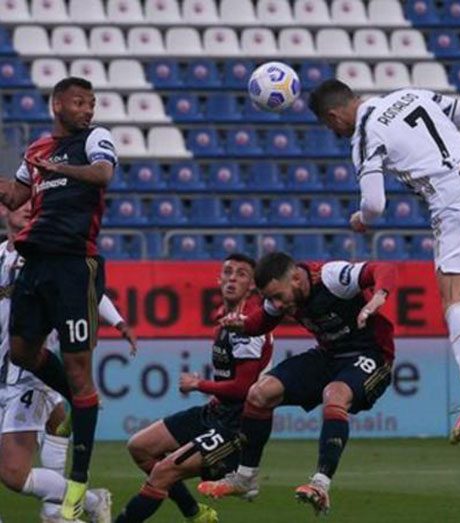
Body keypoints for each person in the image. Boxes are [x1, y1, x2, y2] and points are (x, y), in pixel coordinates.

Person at [308, 79, 460, 443]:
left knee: (455, 299)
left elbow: (375, 205)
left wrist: (361, 220)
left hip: (454, 203)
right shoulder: (408, 94)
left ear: (334, 116)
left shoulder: (365, 133)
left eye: (329, 124)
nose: (333, 130)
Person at [197, 252, 396, 515]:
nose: (276, 305)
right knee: (259, 393)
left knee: (334, 394)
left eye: (278, 297)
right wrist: (242, 326)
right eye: (271, 299)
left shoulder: (331, 277)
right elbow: (260, 322)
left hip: (371, 354)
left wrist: (379, 296)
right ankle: (245, 478)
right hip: (329, 355)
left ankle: (320, 484)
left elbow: (384, 267)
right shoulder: (280, 296)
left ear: (295, 279)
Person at [0, 76, 118, 520]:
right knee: (22, 351)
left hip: (73, 264)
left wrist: (60, 170)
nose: (88, 109)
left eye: (91, 103)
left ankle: (79, 483)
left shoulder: (95, 140)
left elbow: (103, 174)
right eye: (79, 102)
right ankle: (79, 399)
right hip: (36, 263)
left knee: (76, 368)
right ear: (57, 104)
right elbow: (16, 195)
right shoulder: (36, 150)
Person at [0, 201, 135, 523]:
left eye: (34, 205)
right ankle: (59, 511)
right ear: (5, 210)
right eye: (21, 204)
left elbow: (87, 289)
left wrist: (118, 322)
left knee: (13, 474)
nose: (27, 209)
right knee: (55, 423)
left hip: (27, 375)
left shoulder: (46, 257)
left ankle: (89, 501)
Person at [114, 253, 273, 523]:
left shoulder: (248, 325)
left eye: (242, 274)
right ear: (219, 278)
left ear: (252, 286)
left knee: (163, 472)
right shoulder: (225, 316)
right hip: (215, 412)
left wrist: (199, 384)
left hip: (237, 426)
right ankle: (195, 513)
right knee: (139, 447)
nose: (233, 277)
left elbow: (244, 388)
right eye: (228, 271)